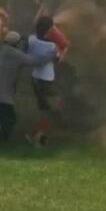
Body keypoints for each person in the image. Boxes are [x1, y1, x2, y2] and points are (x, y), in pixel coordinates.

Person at [0, 31, 57, 150]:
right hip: (0, 94)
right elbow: (36, 61)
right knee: (10, 119)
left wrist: (25, 48)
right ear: (15, 43)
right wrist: (53, 53)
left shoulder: (6, 50)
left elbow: (21, 56)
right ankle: (2, 143)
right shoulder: (14, 54)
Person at [25, 15, 70, 146]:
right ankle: (34, 134)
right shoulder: (51, 47)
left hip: (35, 79)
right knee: (55, 106)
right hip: (46, 82)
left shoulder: (32, 40)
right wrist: (65, 49)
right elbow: (59, 59)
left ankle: (37, 136)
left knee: (44, 109)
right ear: (49, 31)